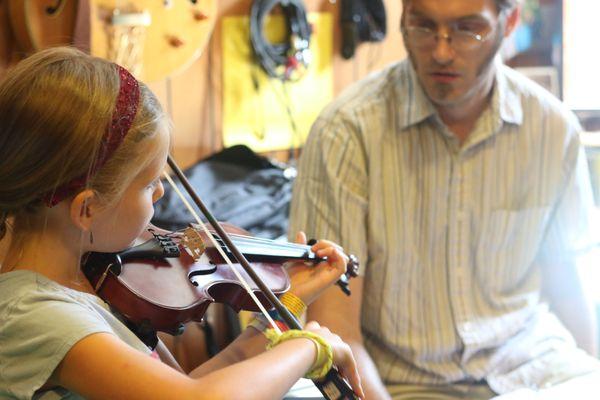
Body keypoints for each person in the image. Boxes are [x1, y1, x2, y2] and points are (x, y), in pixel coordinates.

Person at [0, 47, 365, 400]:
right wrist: (308, 348)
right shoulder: (35, 316)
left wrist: (286, 302)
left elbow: (190, 385)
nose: (160, 192)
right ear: (87, 209)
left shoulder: (92, 284)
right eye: (148, 184)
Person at [289, 0, 600, 398]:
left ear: (510, 22)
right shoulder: (346, 133)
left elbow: (568, 289)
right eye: (423, 27)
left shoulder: (553, 129)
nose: (441, 51)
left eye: (468, 29)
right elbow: (336, 333)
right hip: (405, 384)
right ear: (402, 18)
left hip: (535, 368)